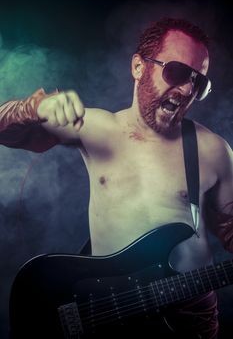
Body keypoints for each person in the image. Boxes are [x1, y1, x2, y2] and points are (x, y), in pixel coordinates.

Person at [0, 17, 233, 338]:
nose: (187, 89)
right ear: (139, 66)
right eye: (177, 72)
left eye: (199, 82)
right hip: (106, 312)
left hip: (189, 319)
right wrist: (37, 107)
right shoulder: (97, 127)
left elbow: (229, 228)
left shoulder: (214, 150)